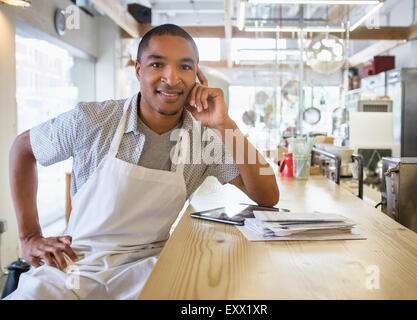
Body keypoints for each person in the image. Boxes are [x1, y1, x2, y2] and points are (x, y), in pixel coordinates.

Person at [4, 24, 279, 300]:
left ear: (198, 76)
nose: (171, 78)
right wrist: (29, 236)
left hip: (147, 268)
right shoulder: (92, 120)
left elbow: (267, 196)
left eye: (184, 67)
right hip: (73, 265)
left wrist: (225, 124)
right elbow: (22, 149)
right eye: (157, 64)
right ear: (138, 70)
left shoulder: (205, 138)